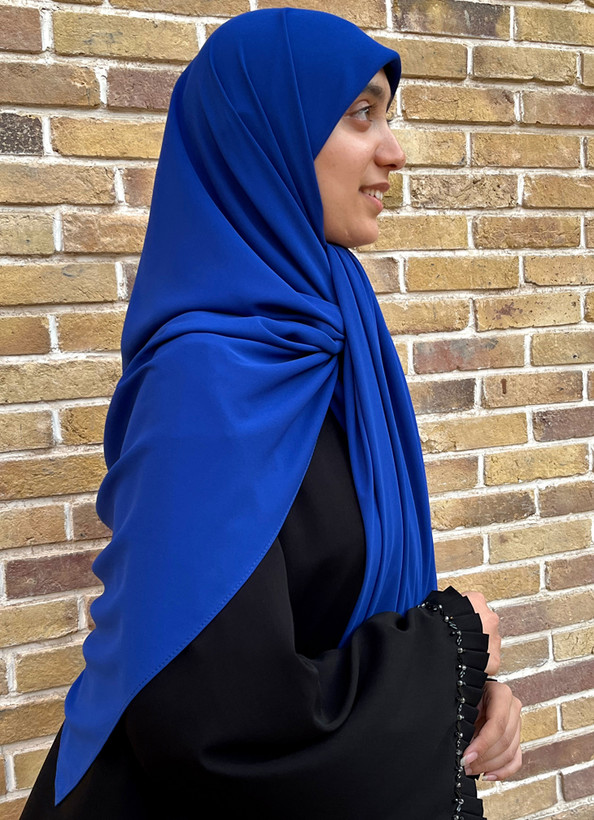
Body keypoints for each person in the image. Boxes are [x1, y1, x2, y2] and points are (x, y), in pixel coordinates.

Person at [22, 8, 521, 819]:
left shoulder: (336, 330)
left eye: (387, 116)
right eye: (360, 114)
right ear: (267, 135)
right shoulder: (202, 382)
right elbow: (217, 718)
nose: (393, 150)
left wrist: (464, 699)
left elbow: (339, 601)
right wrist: (449, 646)